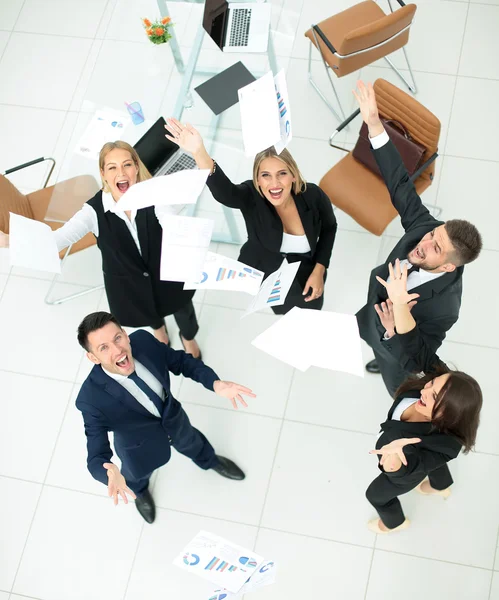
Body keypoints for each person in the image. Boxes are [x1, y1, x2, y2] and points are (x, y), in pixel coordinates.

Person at [0, 141, 202, 358]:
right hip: (128, 281)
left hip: (167, 272)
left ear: (136, 167)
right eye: (112, 167)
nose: (121, 173)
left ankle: (188, 337)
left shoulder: (155, 196)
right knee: (148, 309)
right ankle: (159, 330)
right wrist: (11, 239)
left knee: (182, 308)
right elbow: (57, 239)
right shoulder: (93, 211)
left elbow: (171, 222)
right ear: (103, 173)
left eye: (127, 165)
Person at [353, 80, 483, 396]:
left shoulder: (446, 307)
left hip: (395, 353)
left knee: (390, 372)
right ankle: (374, 343)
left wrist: (392, 330)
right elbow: (399, 182)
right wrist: (374, 126)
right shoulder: (424, 228)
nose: (423, 243)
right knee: (369, 336)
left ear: (449, 267)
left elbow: (420, 359)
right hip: (371, 315)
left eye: (436, 247)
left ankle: (378, 353)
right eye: (432, 235)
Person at [75, 311, 255, 523]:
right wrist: (109, 473)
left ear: (125, 334)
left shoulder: (143, 341)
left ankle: (210, 460)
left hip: (174, 419)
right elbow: (96, 454)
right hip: (137, 448)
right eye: (104, 348)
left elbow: (180, 362)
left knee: (193, 443)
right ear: (93, 357)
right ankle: (141, 492)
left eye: (118, 338)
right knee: (135, 476)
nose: (118, 350)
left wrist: (214, 383)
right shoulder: (90, 398)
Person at [164, 118, 338, 314]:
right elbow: (225, 193)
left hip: (307, 271)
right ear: (257, 179)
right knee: (281, 308)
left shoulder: (313, 196)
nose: (274, 184)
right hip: (265, 271)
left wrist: (320, 268)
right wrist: (199, 152)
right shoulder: (252, 196)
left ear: (294, 175)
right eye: (265, 175)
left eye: (282, 173)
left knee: (311, 308)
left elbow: (329, 228)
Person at [366, 366, 482, 534]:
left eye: (434, 396)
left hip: (405, 471)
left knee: (375, 496)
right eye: (433, 383)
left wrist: (392, 458)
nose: (425, 391)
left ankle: (394, 523)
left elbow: (404, 471)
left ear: (448, 415)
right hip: (424, 455)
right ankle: (440, 485)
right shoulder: (423, 392)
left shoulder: (444, 445)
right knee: (434, 462)